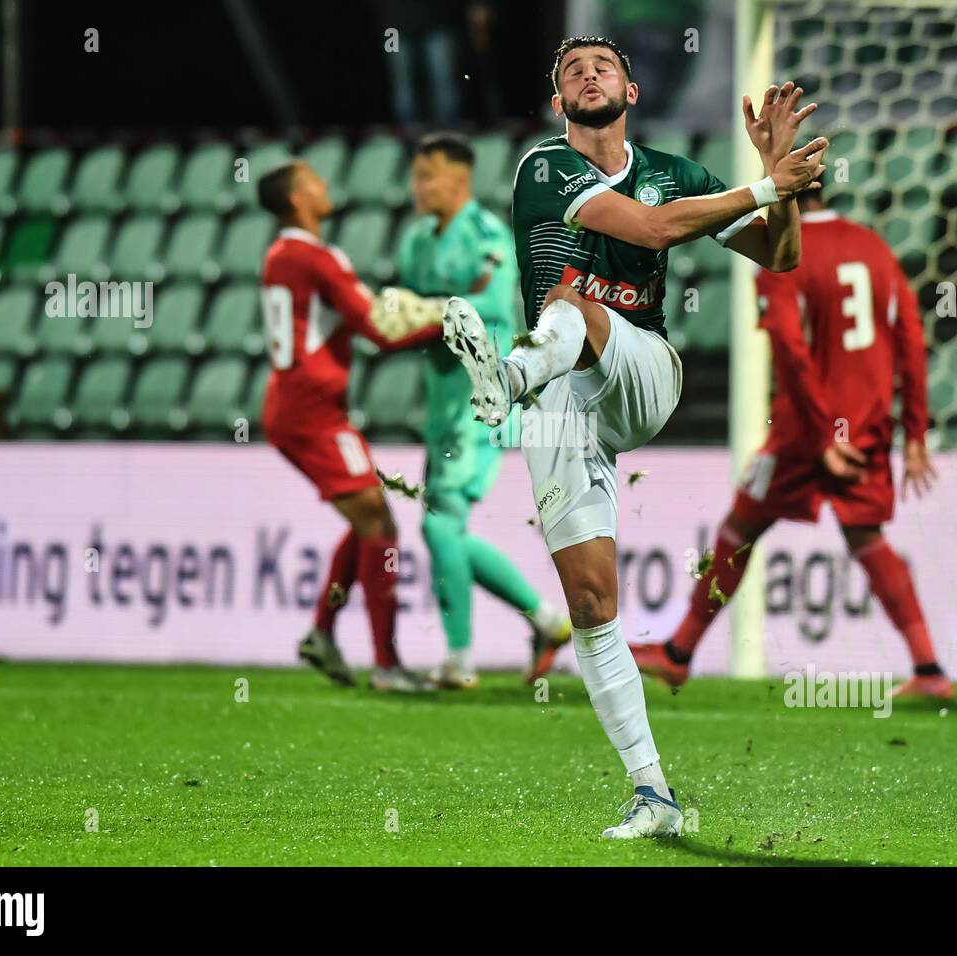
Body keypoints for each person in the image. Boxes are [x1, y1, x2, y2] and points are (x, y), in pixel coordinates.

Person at [441, 35, 825, 837]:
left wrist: (778, 187)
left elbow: (782, 257)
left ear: (632, 90)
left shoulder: (676, 173)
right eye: (572, 71)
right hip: (563, 404)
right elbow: (649, 232)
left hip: (638, 367)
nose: (588, 74)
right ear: (558, 103)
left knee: (571, 304)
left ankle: (503, 380)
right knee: (590, 603)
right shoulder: (542, 166)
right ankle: (655, 795)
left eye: (602, 66)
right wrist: (762, 184)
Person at [630, 184, 953, 701]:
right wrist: (914, 431)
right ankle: (930, 668)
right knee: (866, 536)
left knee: (740, 527)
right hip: (867, 427)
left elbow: (788, 344)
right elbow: (911, 339)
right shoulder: (872, 246)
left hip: (806, 430)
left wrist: (823, 432)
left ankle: (679, 654)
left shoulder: (785, 253)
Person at [257, 160, 447, 693]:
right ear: (298, 200)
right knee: (381, 527)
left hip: (295, 406)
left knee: (369, 519)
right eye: (314, 181)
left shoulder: (279, 256)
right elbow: (380, 330)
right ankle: (386, 665)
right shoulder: (316, 257)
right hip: (313, 413)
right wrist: (447, 323)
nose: (325, 185)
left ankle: (323, 631)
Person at [395, 133, 572, 689]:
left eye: (428, 176)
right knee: (443, 529)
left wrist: (419, 314)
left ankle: (461, 658)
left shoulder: (488, 236)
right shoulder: (416, 240)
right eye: (415, 176)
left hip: (483, 405)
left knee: (439, 525)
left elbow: (484, 312)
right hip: (440, 409)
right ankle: (544, 620)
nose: (417, 187)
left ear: (460, 179)